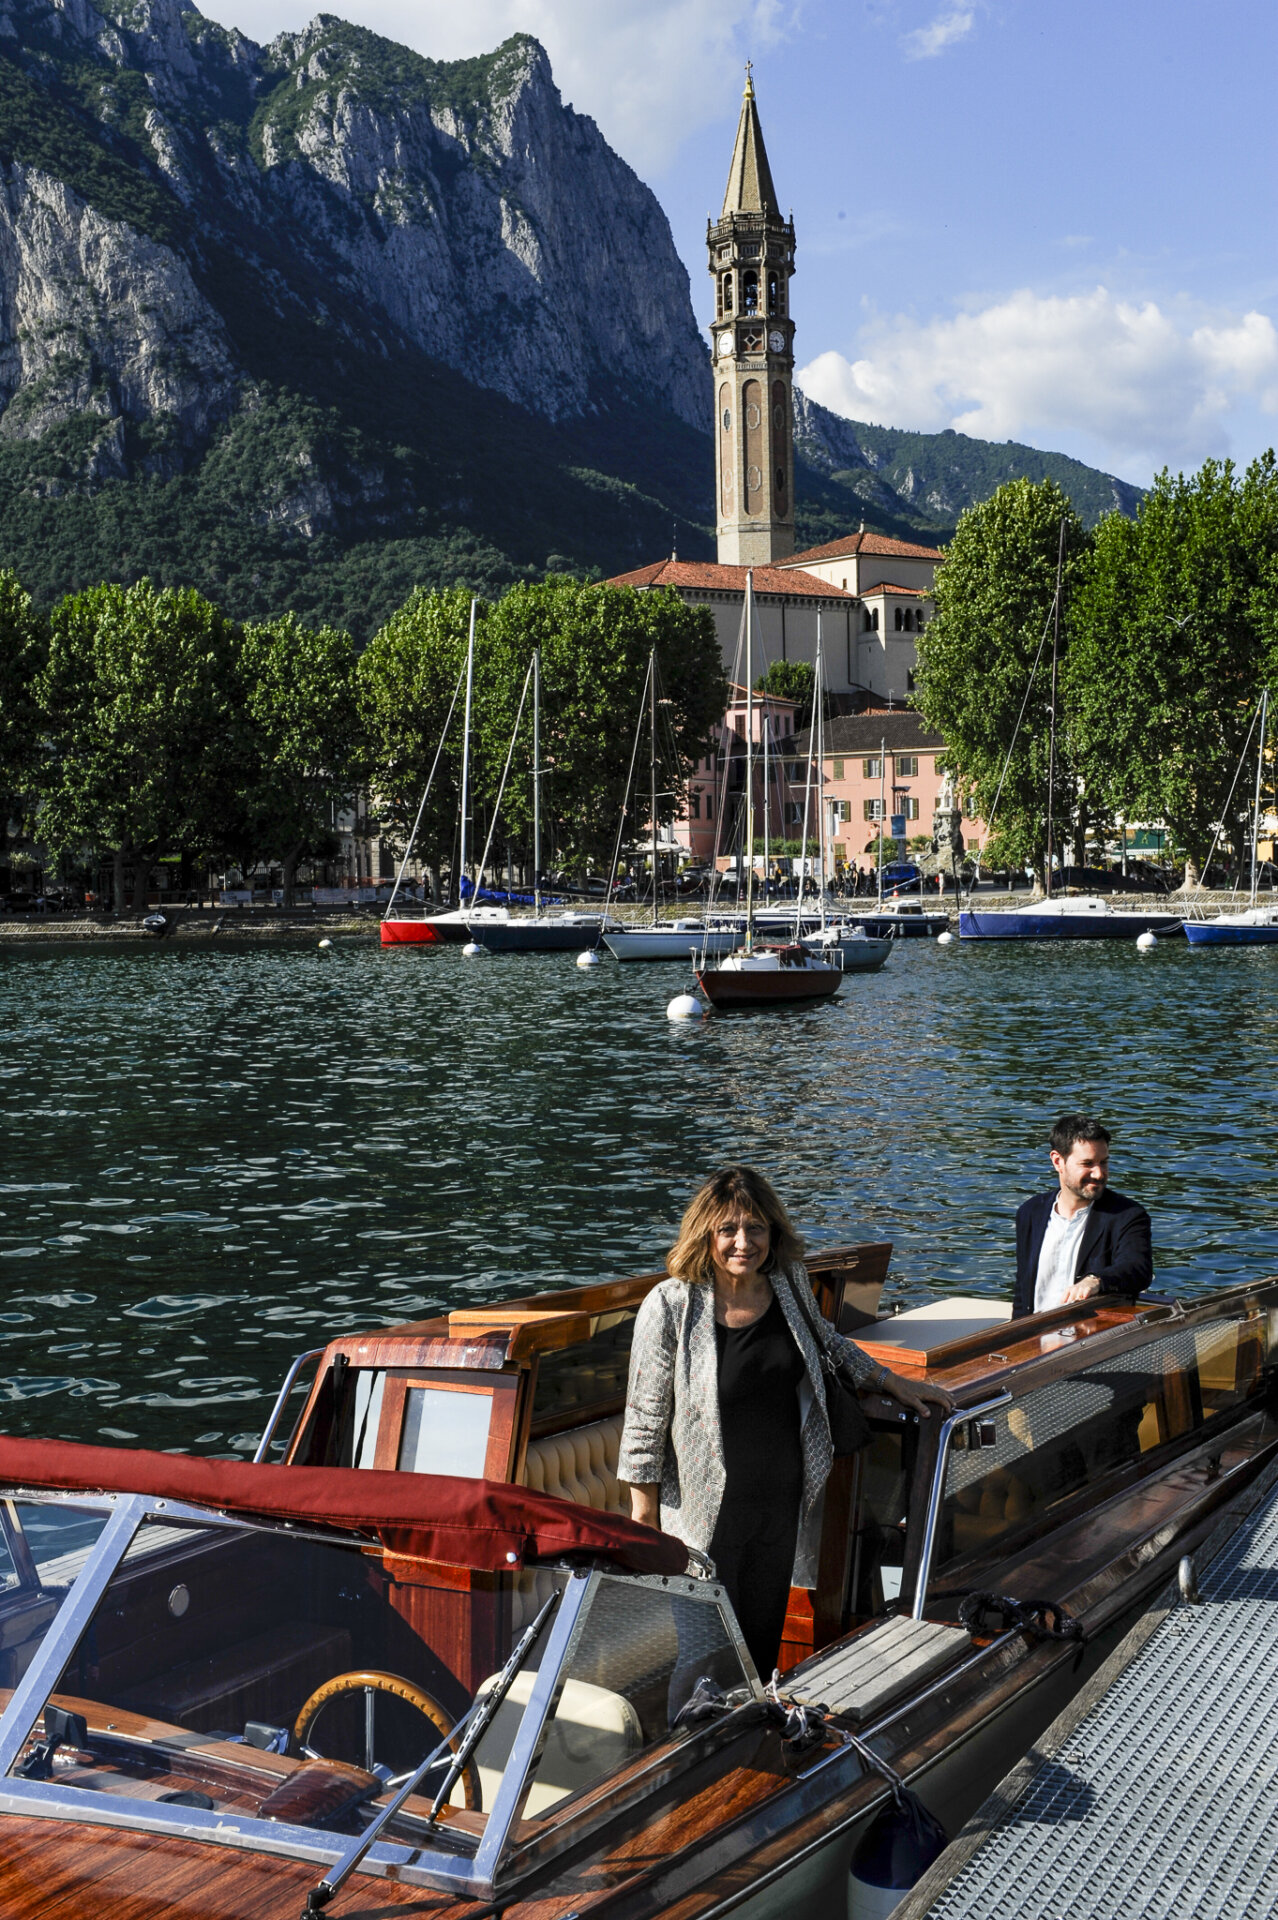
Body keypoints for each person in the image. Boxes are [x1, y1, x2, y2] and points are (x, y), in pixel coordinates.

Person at [618, 1167, 951, 1679]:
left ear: (774, 1233)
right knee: (704, 1658)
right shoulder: (671, 1305)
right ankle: (691, 1750)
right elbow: (644, 1418)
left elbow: (829, 1344)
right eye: (727, 1229)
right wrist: (644, 1518)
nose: (742, 1243)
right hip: (702, 1515)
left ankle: (749, 1744)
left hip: (781, 1501)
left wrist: (890, 1381)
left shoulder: (788, 1284)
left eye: (755, 1229)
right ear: (705, 1233)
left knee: (759, 1645)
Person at [1013, 1114, 1152, 1319]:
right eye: (1087, 1164)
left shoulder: (1128, 1215)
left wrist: (1095, 1281)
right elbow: (1022, 1292)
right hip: (1033, 1337)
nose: (1098, 1174)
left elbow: (1137, 1269)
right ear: (1058, 1161)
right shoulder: (1030, 1212)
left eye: (1103, 1162)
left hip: (1087, 1341)